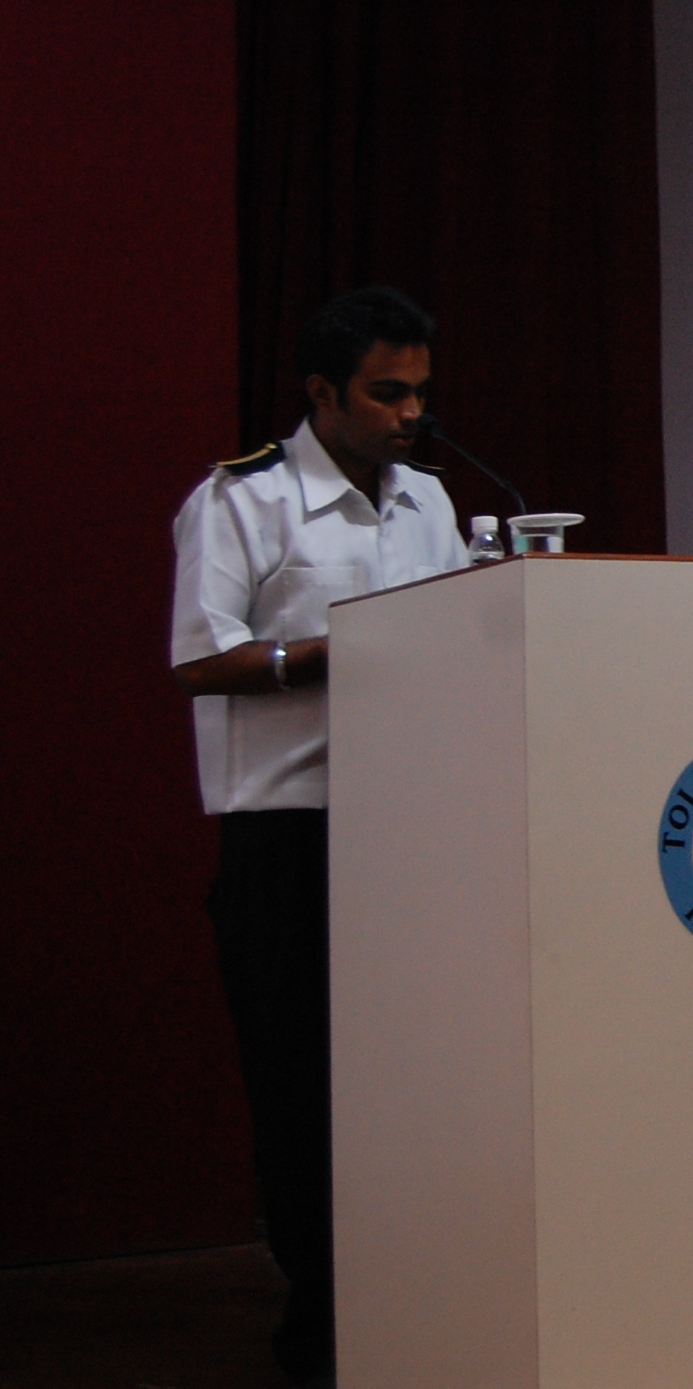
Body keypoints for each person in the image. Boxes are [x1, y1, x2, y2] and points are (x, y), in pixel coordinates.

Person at [171, 287, 469, 1385]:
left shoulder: (431, 501)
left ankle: (421, 1301)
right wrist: (330, 654)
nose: (411, 415)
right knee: (303, 1093)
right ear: (321, 393)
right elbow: (199, 658)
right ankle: (323, 1329)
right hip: (289, 838)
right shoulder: (244, 499)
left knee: (415, 1089)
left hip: (415, 836)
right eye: (387, 393)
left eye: (421, 393)